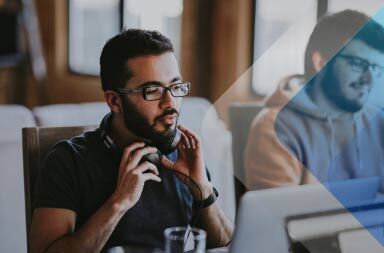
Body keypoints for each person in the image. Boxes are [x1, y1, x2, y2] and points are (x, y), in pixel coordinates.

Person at [30, 29, 233, 252]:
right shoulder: (68, 160)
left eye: (175, 87)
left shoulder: (182, 154)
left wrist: (202, 189)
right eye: (152, 90)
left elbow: (225, 243)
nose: (170, 103)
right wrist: (119, 202)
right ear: (115, 101)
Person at [244, 10, 384, 190]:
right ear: (321, 62)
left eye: (376, 68)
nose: (370, 80)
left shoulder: (378, 120)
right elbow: (279, 215)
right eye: (358, 64)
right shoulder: (274, 128)